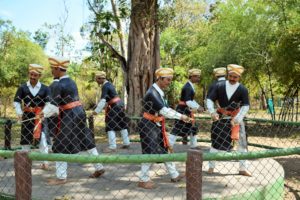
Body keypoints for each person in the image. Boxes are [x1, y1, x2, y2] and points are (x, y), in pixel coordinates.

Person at [41, 56, 105, 185]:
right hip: (79, 112)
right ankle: (99, 167)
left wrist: (42, 114)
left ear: (58, 69)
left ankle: (61, 178)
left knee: (59, 145)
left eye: (53, 69)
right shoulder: (71, 81)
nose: (52, 72)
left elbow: (53, 106)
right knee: (86, 139)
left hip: (70, 115)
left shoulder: (58, 84)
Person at [137, 67, 190, 189]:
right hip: (148, 125)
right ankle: (143, 179)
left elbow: (164, 110)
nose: (169, 82)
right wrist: (181, 116)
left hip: (156, 124)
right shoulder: (153, 93)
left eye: (170, 80)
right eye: (168, 80)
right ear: (159, 79)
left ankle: (174, 174)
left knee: (164, 149)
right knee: (148, 153)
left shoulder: (159, 92)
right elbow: (164, 111)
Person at [206, 64, 251, 176]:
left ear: (239, 77)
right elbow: (209, 99)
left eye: (235, 77)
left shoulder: (243, 89)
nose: (232, 79)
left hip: (236, 119)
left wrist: (238, 118)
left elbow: (246, 106)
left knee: (242, 144)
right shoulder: (219, 86)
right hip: (220, 117)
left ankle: (243, 169)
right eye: (230, 76)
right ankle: (211, 167)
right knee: (215, 143)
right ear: (228, 75)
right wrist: (212, 112)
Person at [13, 64, 50, 170]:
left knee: (42, 138)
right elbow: (16, 102)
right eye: (31, 74)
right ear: (29, 74)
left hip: (40, 116)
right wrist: (19, 113)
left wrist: (44, 112)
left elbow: (48, 103)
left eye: (35, 75)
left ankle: (45, 162)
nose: (33, 77)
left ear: (40, 76)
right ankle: (25, 162)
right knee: (25, 139)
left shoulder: (45, 88)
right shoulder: (22, 87)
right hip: (27, 116)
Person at [91, 71, 130, 153]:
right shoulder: (109, 84)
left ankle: (112, 147)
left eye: (96, 79)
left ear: (100, 78)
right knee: (122, 124)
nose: (96, 81)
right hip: (120, 104)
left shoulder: (105, 86)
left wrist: (96, 111)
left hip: (115, 106)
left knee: (110, 125)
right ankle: (126, 143)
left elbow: (103, 100)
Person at [169, 69, 204, 149]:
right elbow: (188, 101)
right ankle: (168, 145)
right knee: (177, 128)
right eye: (197, 77)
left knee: (193, 127)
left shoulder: (190, 85)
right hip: (182, 110)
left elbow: (190, 100)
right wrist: (198, 107)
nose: (198, 78)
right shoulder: (188, 87)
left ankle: (194, 146)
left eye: (199, 77)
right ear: (191, 77)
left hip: (186, 109)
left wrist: (198, 106)